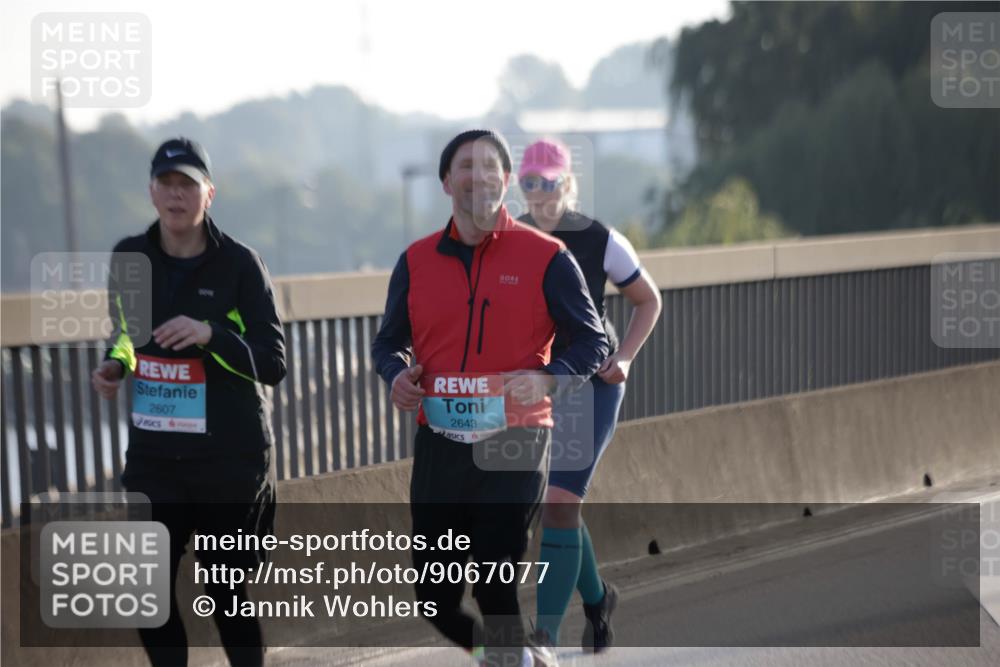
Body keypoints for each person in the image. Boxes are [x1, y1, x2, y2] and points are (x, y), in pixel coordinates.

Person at [371, 129, 608, 667]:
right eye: (464, 166)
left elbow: (594, 340)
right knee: (434, 600)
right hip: (441, 445)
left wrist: (550, 378)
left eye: (488, 167)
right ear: (446, 181)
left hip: (516, 437)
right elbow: (388, 342)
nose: (476, 176)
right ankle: (506, 655)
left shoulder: (547, 256)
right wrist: (396, 375)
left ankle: (510, 657)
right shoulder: (415, 261)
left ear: (505, 180)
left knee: (493, 580)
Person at [91, 137, 286, 667]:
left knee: (224, 593)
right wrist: (116, 362)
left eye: (188, 184)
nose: (177, 195)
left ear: (209, 194)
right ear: (152, 192)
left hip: (229, 456)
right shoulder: (130, 257)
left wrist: (209, 334)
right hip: (156, 456)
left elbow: (273, 362)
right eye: (167, 183)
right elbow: (128, 333)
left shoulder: (241, 265)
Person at [516, 139, 662, 653]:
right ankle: (598, 600)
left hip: (593, 386)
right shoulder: (507, 238)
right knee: (558, 508)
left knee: (559, 503)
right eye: (529, 182)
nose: (539, 193)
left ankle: (544, 638)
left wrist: (623, 357)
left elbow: (648, 300)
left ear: (568, 183)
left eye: (549, 182)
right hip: (538, 385)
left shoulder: (601, 239)